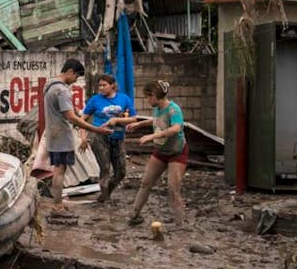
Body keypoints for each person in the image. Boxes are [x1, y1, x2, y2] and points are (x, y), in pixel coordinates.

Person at [43, 58, 113, 216]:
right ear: (69, 72)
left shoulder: (49, 86)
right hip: (61, 135)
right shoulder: (62, 90)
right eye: (76, 77)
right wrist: (96, 129)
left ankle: (57, 204)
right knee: (60, 170)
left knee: (58, 169)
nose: (75, 81)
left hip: (53, 133)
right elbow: (71, 117)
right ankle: (57, 207)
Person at [124, 80, 189, 226]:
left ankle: (180, 224)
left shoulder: (174, 109)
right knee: (145, 183)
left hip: (176, 152)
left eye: (147, 97)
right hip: (161, 151)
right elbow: (157, 120)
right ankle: (135, 215)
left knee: (173, 188)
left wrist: (152, 136)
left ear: (154, 95)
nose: (146, 100)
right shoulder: (158, 108)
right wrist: (140, 124)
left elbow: (176, 128)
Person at [80, 74, 136, 203]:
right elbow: (82, 120)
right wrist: (83, 138)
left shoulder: (124, 99)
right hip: (99, 137)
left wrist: (117, 119)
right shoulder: (95, 100)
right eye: (99, 85)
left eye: (104, 85)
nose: (101, 88)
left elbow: (133, 118)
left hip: (118, 137)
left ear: (112, 86)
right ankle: (106, 200)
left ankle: (105, 195)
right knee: (105, 168)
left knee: (121, 172)